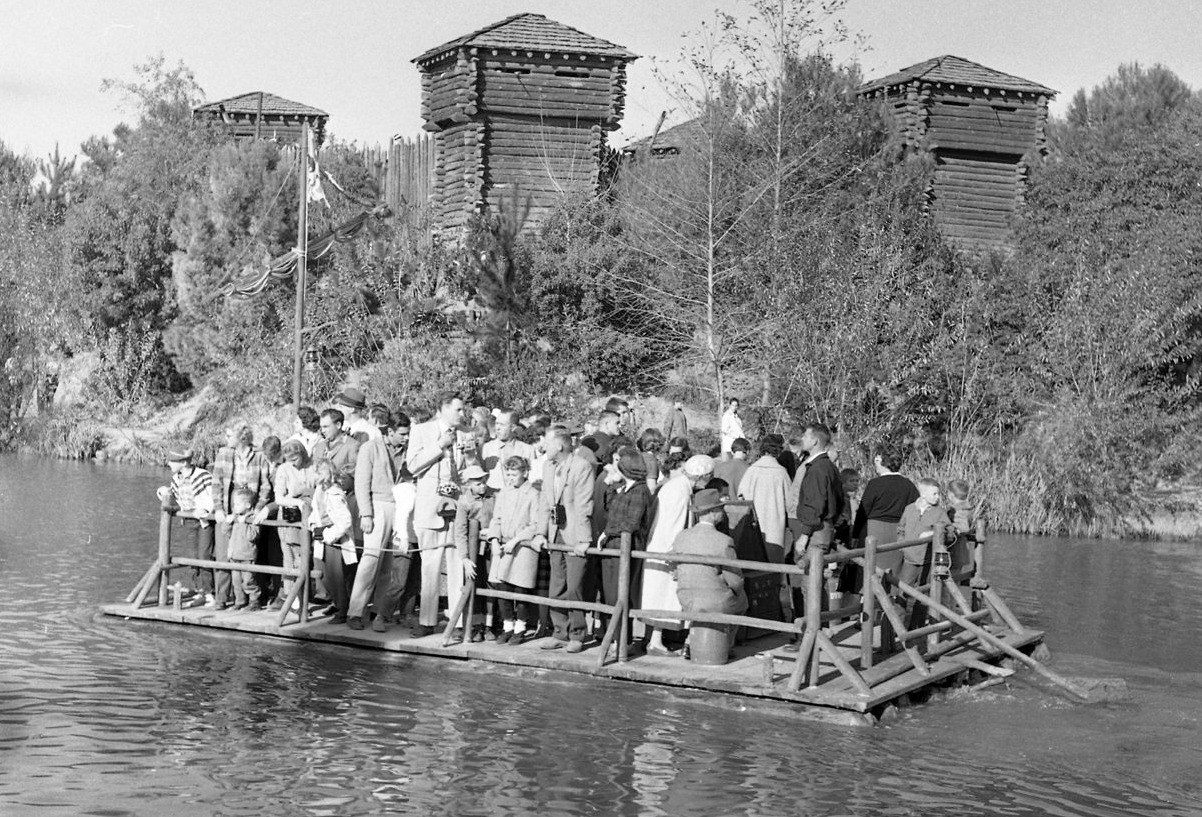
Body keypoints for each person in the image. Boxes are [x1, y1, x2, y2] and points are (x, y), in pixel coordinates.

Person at [408, 391, 468, 638]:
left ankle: (457, 621)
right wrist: (439, 446)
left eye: (463, 410)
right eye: (458, 410)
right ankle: (427, 620)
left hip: (456, 509)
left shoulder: (466, 434)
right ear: (443, 409)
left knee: (457, 567)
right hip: (430, 508)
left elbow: (470, 470)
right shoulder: (421, 431)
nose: (462, 414)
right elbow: (412, 466)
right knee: (430, 567)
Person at [671, 488, 748, 657]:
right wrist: (737, 590)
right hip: (715, 600)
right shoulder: (724, 541)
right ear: (713, 513)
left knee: (701, 605)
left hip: (686, 596)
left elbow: (675, 567)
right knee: (742, 601)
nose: (723, 511)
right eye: (720, 508)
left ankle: (691, 642)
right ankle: (726, 645)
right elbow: (735, 580)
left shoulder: (681, 536)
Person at [539, 425, 595, 653]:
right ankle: (559, 631)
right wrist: (540, 533)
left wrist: (583, 539)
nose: (543, 446)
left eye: (547, 442)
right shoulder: (547, 467)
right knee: (557, 585)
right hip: (555, 534)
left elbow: (583, 505)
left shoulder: (581, 467)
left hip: (574, 534)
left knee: (575, 587)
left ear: (559, 445)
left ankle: (578, 634)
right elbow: (545, 502)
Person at [639, 447, 698, 656]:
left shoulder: (672, 488)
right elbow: (672, 525)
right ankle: (655, 642)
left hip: (659, 547)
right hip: (665, 551)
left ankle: (654, 639)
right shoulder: (679, 491)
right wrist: (673, 555)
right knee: (663, 596)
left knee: (660, 596)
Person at [485, 455, 545, 645]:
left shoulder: (534, 494)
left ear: (525, 473)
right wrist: (494, 539)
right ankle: (507, 626)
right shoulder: (504, 492)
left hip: (523, 548)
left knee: (520, 590)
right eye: (508, 474)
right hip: (504, 547)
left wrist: (518, 539)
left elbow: (536, 524)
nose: (510, 478)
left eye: (514, 474)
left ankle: (520, 627)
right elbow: (497, 519)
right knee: (503, 588)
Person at [597, 446, 653, 651]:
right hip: (613, 545)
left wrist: (607, 532)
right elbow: (608, 510)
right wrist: (610, 484)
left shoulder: (640, 491)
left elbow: (632, 523)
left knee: (622, 593)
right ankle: (615, 637)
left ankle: (623, 640)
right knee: (611, 594)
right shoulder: (624, 488)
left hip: (625, 546)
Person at [347, 405, 397, 632]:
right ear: (390, 431)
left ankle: (378, 610)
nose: (405, 439)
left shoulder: (404, 451)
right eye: (402, 434)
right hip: (377, 505)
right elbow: (361, 482)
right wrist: (366, 513)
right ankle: (355, 611)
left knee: (388, 564)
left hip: (397, 506)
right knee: (370, 559)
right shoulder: (370, 447)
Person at [211, 423, 270, 611]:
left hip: (249, 508)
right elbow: (216, 482)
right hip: (230, 507)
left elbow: (265, 485)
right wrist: (219, 507)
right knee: (224, 554)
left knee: (248, 553)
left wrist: (259, 508)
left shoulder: (259, 455)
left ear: (241, 437)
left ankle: (252, 599)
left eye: (230, 435)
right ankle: (222, 597)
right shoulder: (224, 454)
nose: (226, 439)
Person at [255, 439, 315, 613]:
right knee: (291, 558)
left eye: (295, 459)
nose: (293, 463)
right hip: (290, 516)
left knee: (304, 558)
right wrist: (296, 501)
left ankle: (301, 596)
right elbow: (279, 497)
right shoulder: (283, 469)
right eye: (289, 460)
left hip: (308, 514)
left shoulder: (311, 466)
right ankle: (293, 599)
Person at [157, 448, 216, 607]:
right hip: (189, 520)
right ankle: (199, 591)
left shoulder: (203, 476)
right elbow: (178, 499)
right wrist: (164, 492)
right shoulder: (176, 478)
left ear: (183, 462)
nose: (168, 463)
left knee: (205, 555)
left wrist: (204, 509)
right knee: (192, 556)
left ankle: (209, 592)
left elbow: (213, 497)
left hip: (204, 520)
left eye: (172, 461)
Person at [850, 446, 919, 578]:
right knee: (894, 571)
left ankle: (870, 595)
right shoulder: (908, 485)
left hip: (874, 532)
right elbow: (914, 510)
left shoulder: (875, 484)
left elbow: (863, 511)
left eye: (877, 460)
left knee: (871, 570)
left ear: (883, 462)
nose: (875, 463)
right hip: (897, 534)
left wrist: (855, 534)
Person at [310, 459, 357, 624]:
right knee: (322, 574)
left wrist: (330, 535)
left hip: (334, 539)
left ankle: (343, 610)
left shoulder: (335, 492)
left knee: (336, 576)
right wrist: (314, 526)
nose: (318, 476)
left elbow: (345, 520)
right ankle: (336, 604)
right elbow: (315, 512)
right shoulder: (318, 491)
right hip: (321, 535)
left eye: (321, 472)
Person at [736, 434, 792, 563]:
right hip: (774, 524)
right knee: (774, 561)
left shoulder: (751, 470)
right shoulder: (781, 472)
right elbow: (790, 502)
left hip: (753, 523)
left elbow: (741, 498)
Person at [452, 464, 492, 641]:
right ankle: (474, 625)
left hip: (491, 548)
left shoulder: (492, 498)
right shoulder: (464, 502)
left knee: (491, 585)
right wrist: (465, 558)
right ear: (469, 484)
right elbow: (460, 532)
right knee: (474, 585)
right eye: (477, 483)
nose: (482, 485)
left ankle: (489, 625)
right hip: (473, 551)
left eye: (483, 481)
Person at [896, 477, 953, 588]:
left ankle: (922, 605)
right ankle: (899, 605)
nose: (938, 497)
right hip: (909, 559)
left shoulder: (939, 512)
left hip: (928, 559)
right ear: (923, 494)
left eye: (938, 494)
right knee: (904, 589)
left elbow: (950, 532)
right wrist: (902, 545)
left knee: (925, 591)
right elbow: (900, 528)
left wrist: (931, 533)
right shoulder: (909, 509)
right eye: (934, 494)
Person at [226, 487, 263, 611]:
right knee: (236, 581)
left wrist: (244, 523)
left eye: (237, 504)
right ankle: (240, 601)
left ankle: (254, 601)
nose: (234, 507)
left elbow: (253, 536)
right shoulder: (235, 517)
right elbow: (225, 532)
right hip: (234, 554)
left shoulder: (253, 518)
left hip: (247, 555)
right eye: (234, 504)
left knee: (248, 581)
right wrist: (227, 522)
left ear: (247, 505)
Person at [482, 409, 535, 493]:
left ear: (513, 427)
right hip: (493, 499)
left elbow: (532, 479)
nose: (497, 428)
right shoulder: (487, 448)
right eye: (496, 424)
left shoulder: (528, 450)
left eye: (502, 425)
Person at [311, 409, 361, 484]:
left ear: (338, 425)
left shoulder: (352, 446)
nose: (323, 431)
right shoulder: (320, 446)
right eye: (321, 427)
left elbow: (356, 477)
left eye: (326, 427)